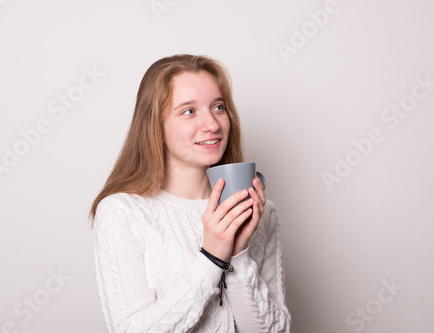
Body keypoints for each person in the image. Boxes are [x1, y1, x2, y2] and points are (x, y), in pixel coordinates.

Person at [90, 54, 291, 333]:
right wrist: (212, 257)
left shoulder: (262, 213)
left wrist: (239, 254)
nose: (212, 124)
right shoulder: (123, 212)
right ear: (154, 126)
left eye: (218, 107)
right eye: (188, 111)